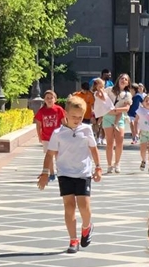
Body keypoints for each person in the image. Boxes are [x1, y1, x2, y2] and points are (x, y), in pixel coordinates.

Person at [36, 96, 102, 254]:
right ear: (65, 113)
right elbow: (49, 154)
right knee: (69, 207)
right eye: (74, 117)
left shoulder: (86, 130)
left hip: (83, 173)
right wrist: (45, 173)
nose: (77, 120)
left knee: (84, 207)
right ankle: (73, 240)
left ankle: (87, 227)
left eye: (80, 117)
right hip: (65, 173)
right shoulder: (58, 133)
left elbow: (93, 149)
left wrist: (98, 167)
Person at [103, 90, 129, 174]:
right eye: (122, 79)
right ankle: (109, 165)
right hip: (108, 117)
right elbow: (103, 103)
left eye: (126, 79)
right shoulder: (109, 90)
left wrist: (114, 109)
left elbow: (126, 108)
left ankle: (117, 163)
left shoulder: (126, 94)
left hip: (119, 117)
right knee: (109, 142)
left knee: (119, 141)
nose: (123, 80)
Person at [92, 78, 112, 146]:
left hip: (105, 108)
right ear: (96, 86)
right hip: (100, 109)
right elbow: (103, 98)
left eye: (103, 86)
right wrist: (102, 91)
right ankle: (97, 137)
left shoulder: (104, 92)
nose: (102, 88)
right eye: (100, 86)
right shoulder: (97, 93)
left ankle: (103, 138)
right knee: (100, 124)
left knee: (104, 125)